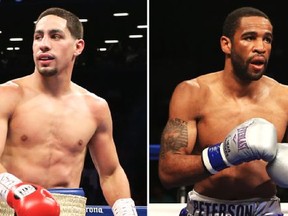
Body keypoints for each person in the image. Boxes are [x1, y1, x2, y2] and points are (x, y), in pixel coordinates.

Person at [0, 7, 137, 216]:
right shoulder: (7, 95)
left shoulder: (95, 107)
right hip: (12, 205)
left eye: (55, 36)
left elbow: (111, 173)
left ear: (78, 46)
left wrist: (125, 209)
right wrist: (17, 191)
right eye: (38, 37)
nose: (43, 44)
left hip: (68, 208)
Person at [158, 6, 288, 216]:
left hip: (264, 210)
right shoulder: (193, 93)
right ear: (226, 44)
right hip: (205, 209)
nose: (260, 47)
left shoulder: (285, 98)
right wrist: (224, 155)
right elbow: (168, 172)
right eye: (249, 38)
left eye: (267, 39)